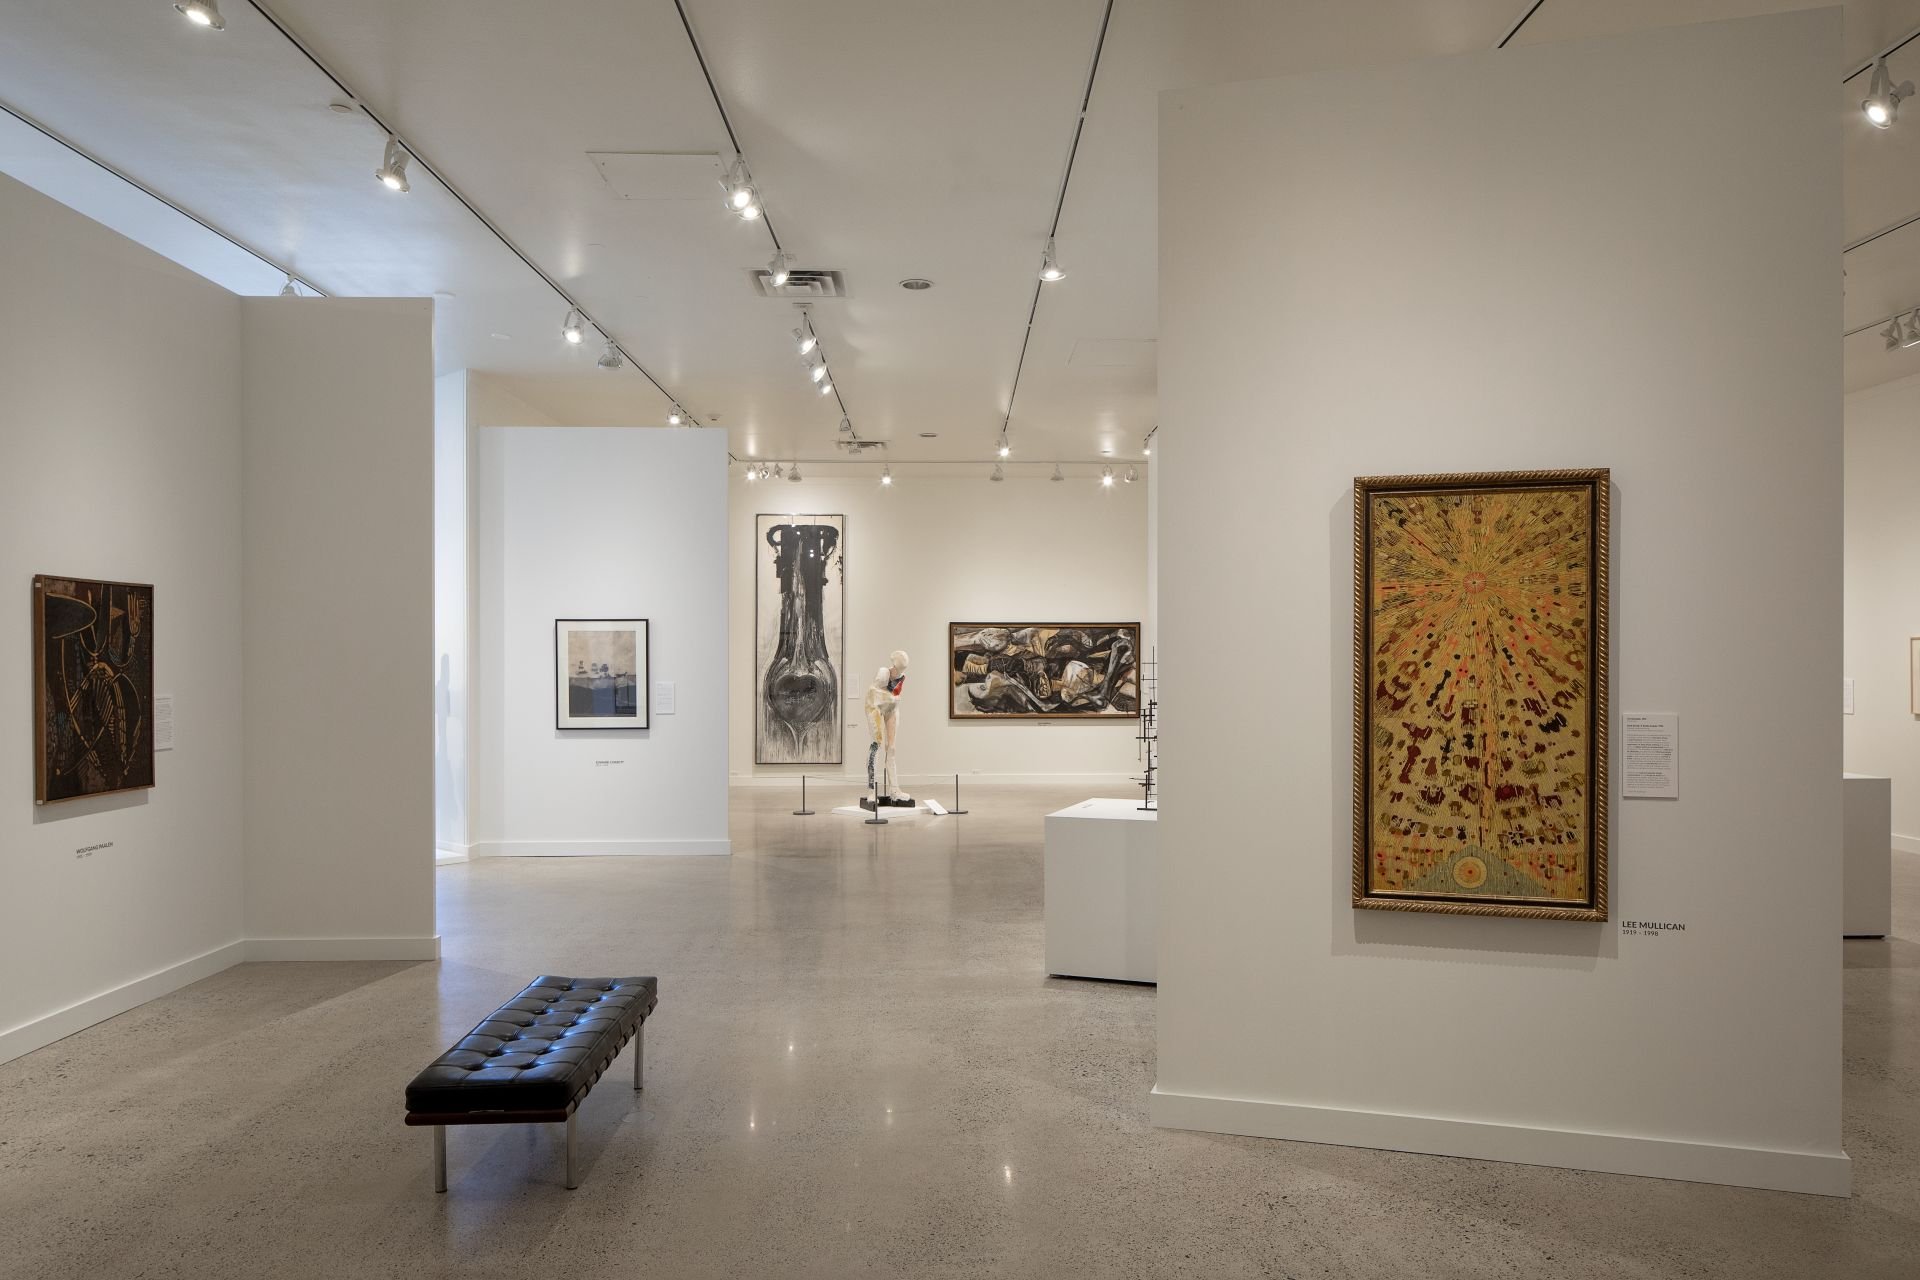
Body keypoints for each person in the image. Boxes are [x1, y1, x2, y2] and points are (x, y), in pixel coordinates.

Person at [859, 650, 913, 809]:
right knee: (876, 744)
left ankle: (894, 790)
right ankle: (871, 791)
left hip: (891, 708)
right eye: (898, 668)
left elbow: (894, 697)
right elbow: (873, 694)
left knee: (892, 748)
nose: (899, 671)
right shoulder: (883, 673)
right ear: (893, 665)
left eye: (902, 669)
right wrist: (893, 698)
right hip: (875, 707)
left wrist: (894, 699)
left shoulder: (901, 677)